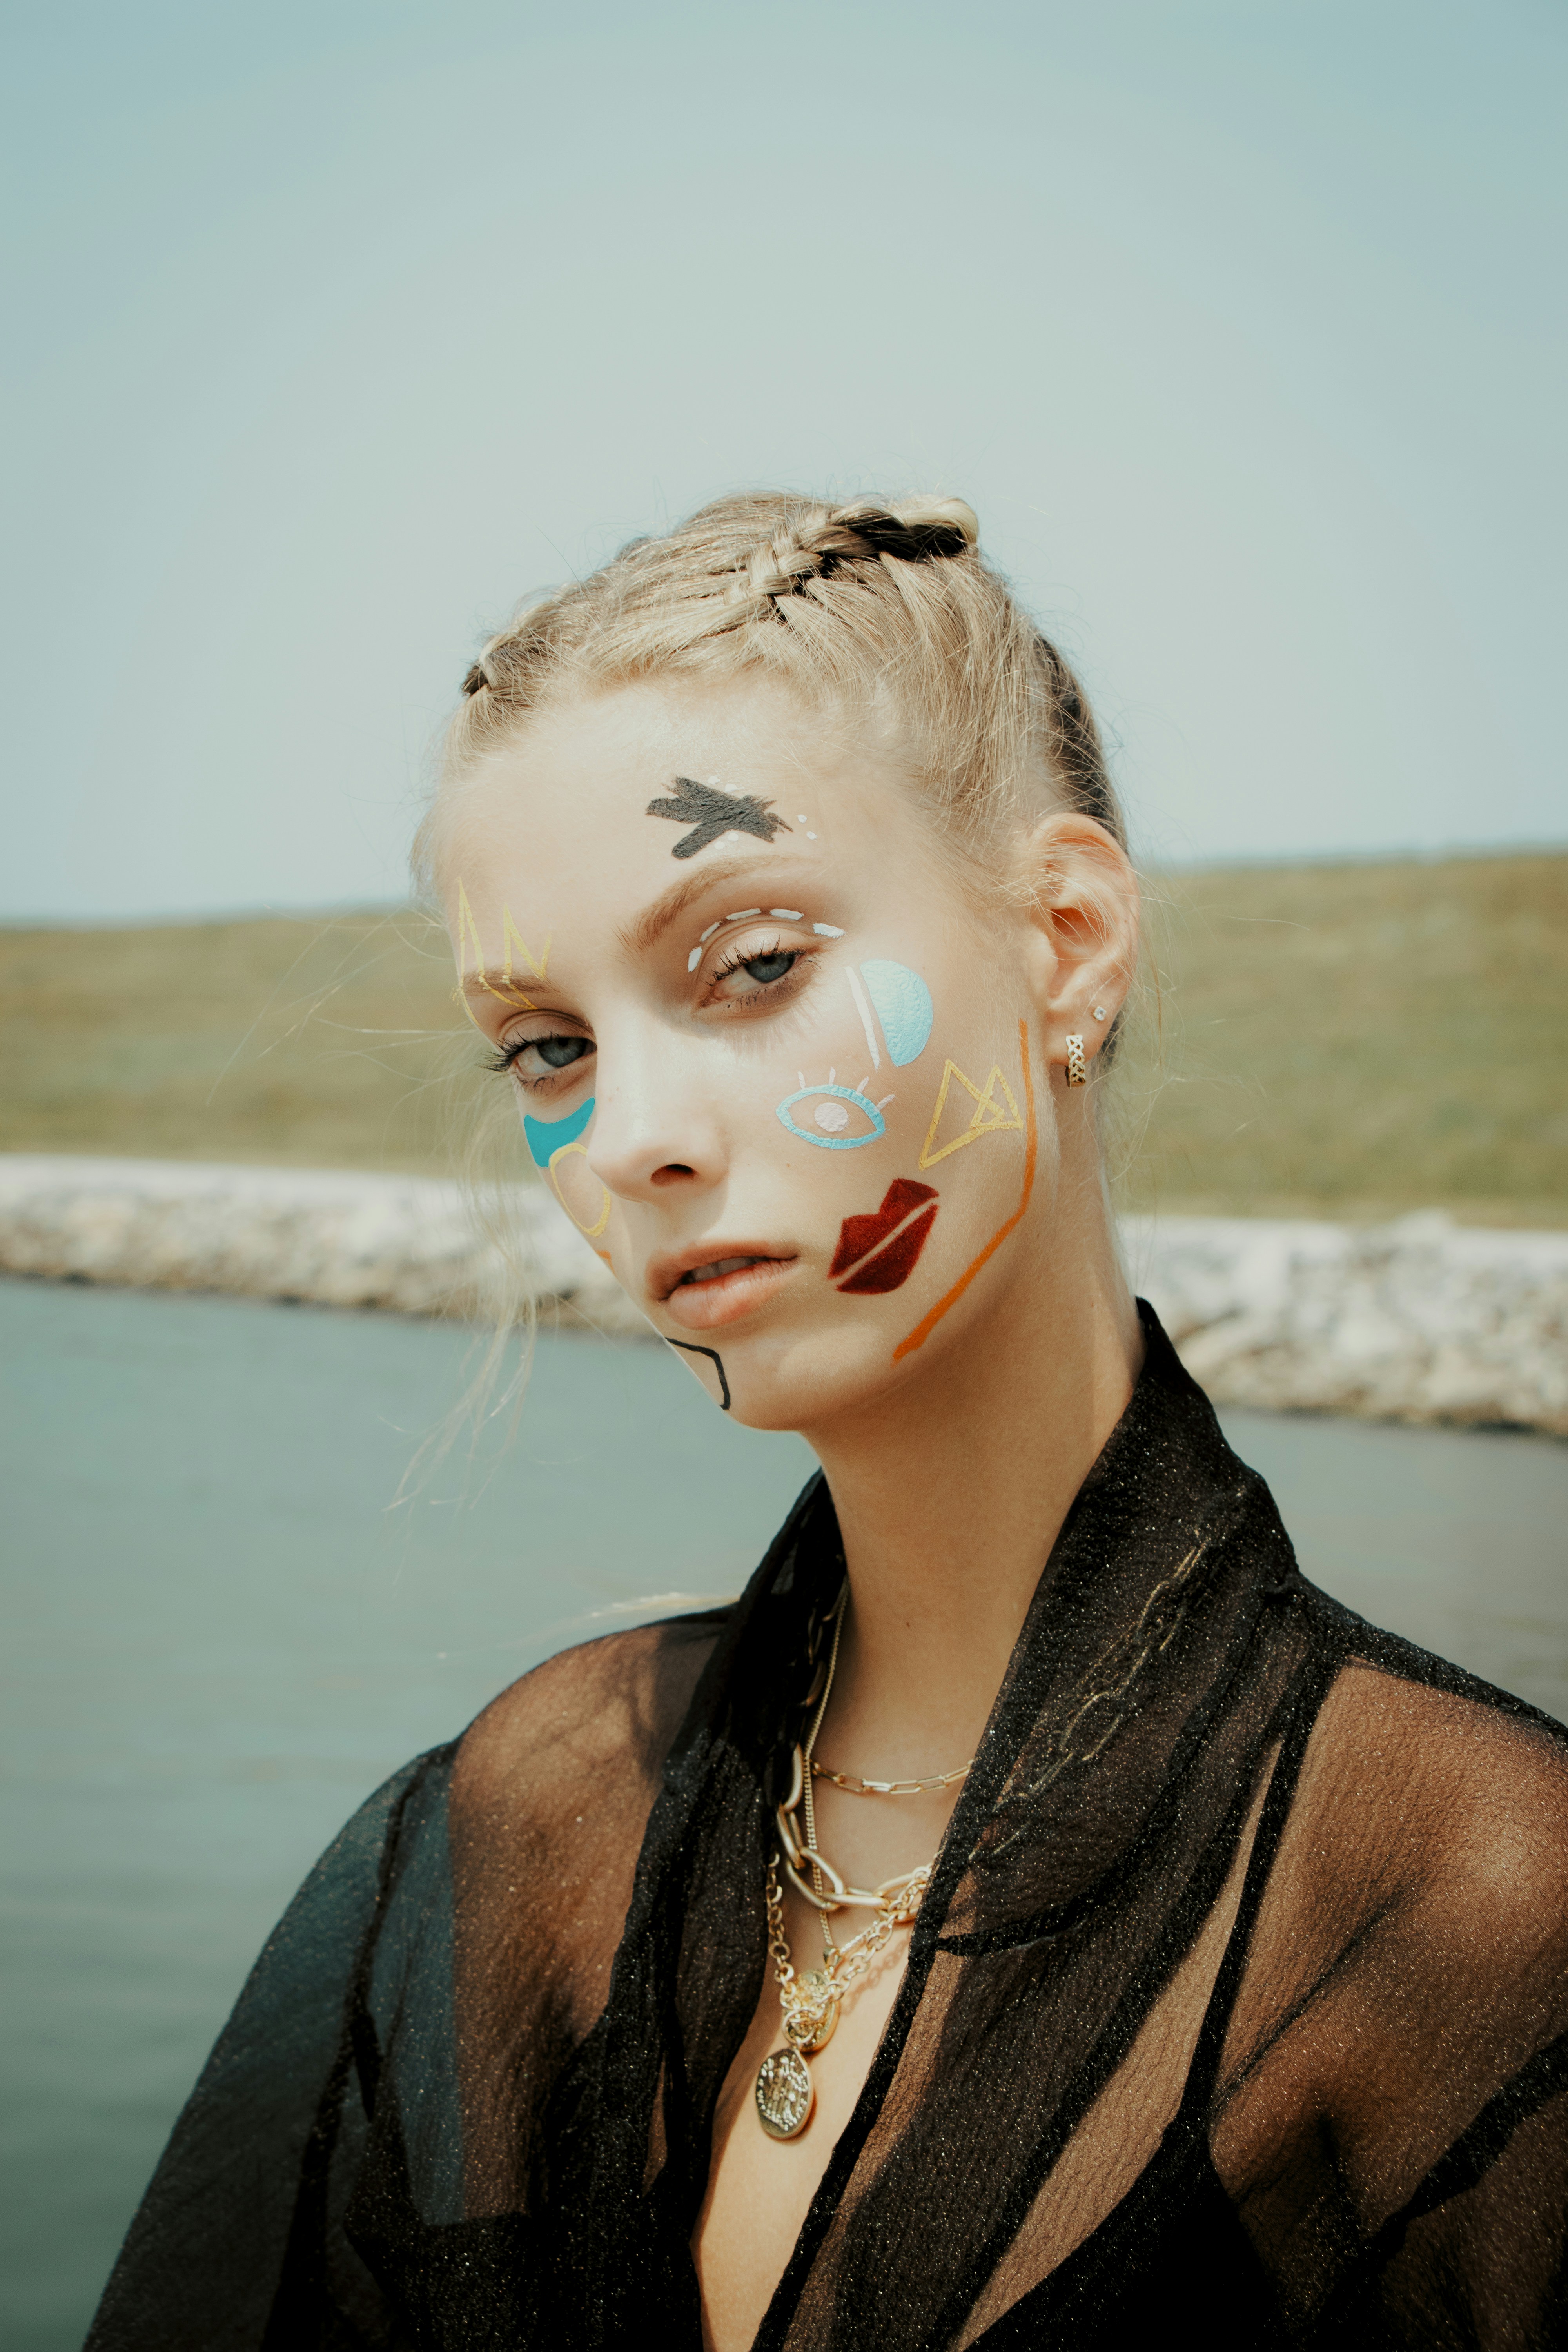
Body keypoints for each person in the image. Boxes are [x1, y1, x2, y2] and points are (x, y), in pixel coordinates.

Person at [88, 496, 1568, 2350]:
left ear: (1067, 942)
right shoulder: (527, 1821)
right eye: (548, 1044)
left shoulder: (1474, 1906)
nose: (630, 1134)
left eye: (753, 962)